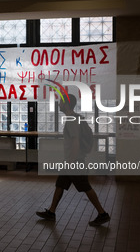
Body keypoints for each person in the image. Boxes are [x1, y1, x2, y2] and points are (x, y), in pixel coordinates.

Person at [36, 94, 110, 226]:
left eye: (60, 102)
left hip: (74, 162)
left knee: (85, 187)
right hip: (72, 161)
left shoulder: (71, 120)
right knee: (60, 185)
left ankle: (102, 213)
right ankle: (51, 212)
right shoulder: (76, 118)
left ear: (66, 104)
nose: (59, 104)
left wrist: (72, 160)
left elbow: (75, 141)